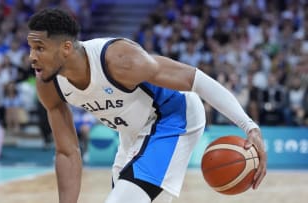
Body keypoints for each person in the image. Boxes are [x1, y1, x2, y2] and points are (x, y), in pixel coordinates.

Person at [27, 8, 267, 203]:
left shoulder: (118, 59)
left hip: (173, 118)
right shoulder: (48, 83)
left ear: (66, 48)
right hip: (132, 134)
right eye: (31, 48)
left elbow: (195, 79)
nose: (32, 57)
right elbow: (68, 153)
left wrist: (249, 127)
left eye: (40, 48)